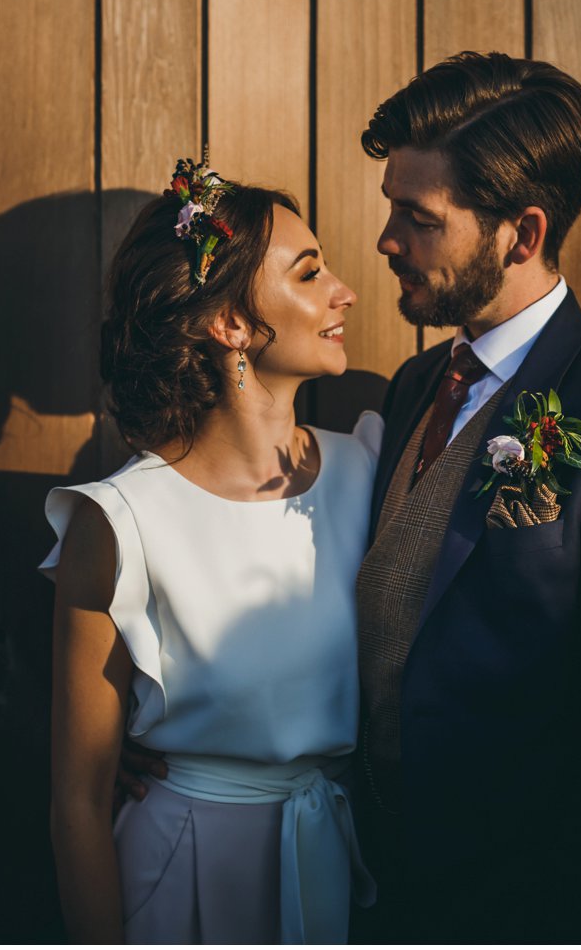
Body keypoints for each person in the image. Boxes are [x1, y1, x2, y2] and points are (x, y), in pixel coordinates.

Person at [123, 53, 581, 942]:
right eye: (389, 207)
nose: (386, 240)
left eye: (418, 217)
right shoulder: (409, 391)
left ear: (520, 233)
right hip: (363, 892)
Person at [44, 162, 377, 944]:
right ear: (230, 323)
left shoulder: (372, 468)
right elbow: (78, 802)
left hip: (332, 856)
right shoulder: (121, 518)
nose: (345, 290)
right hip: (180, 875)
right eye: (310, 271)